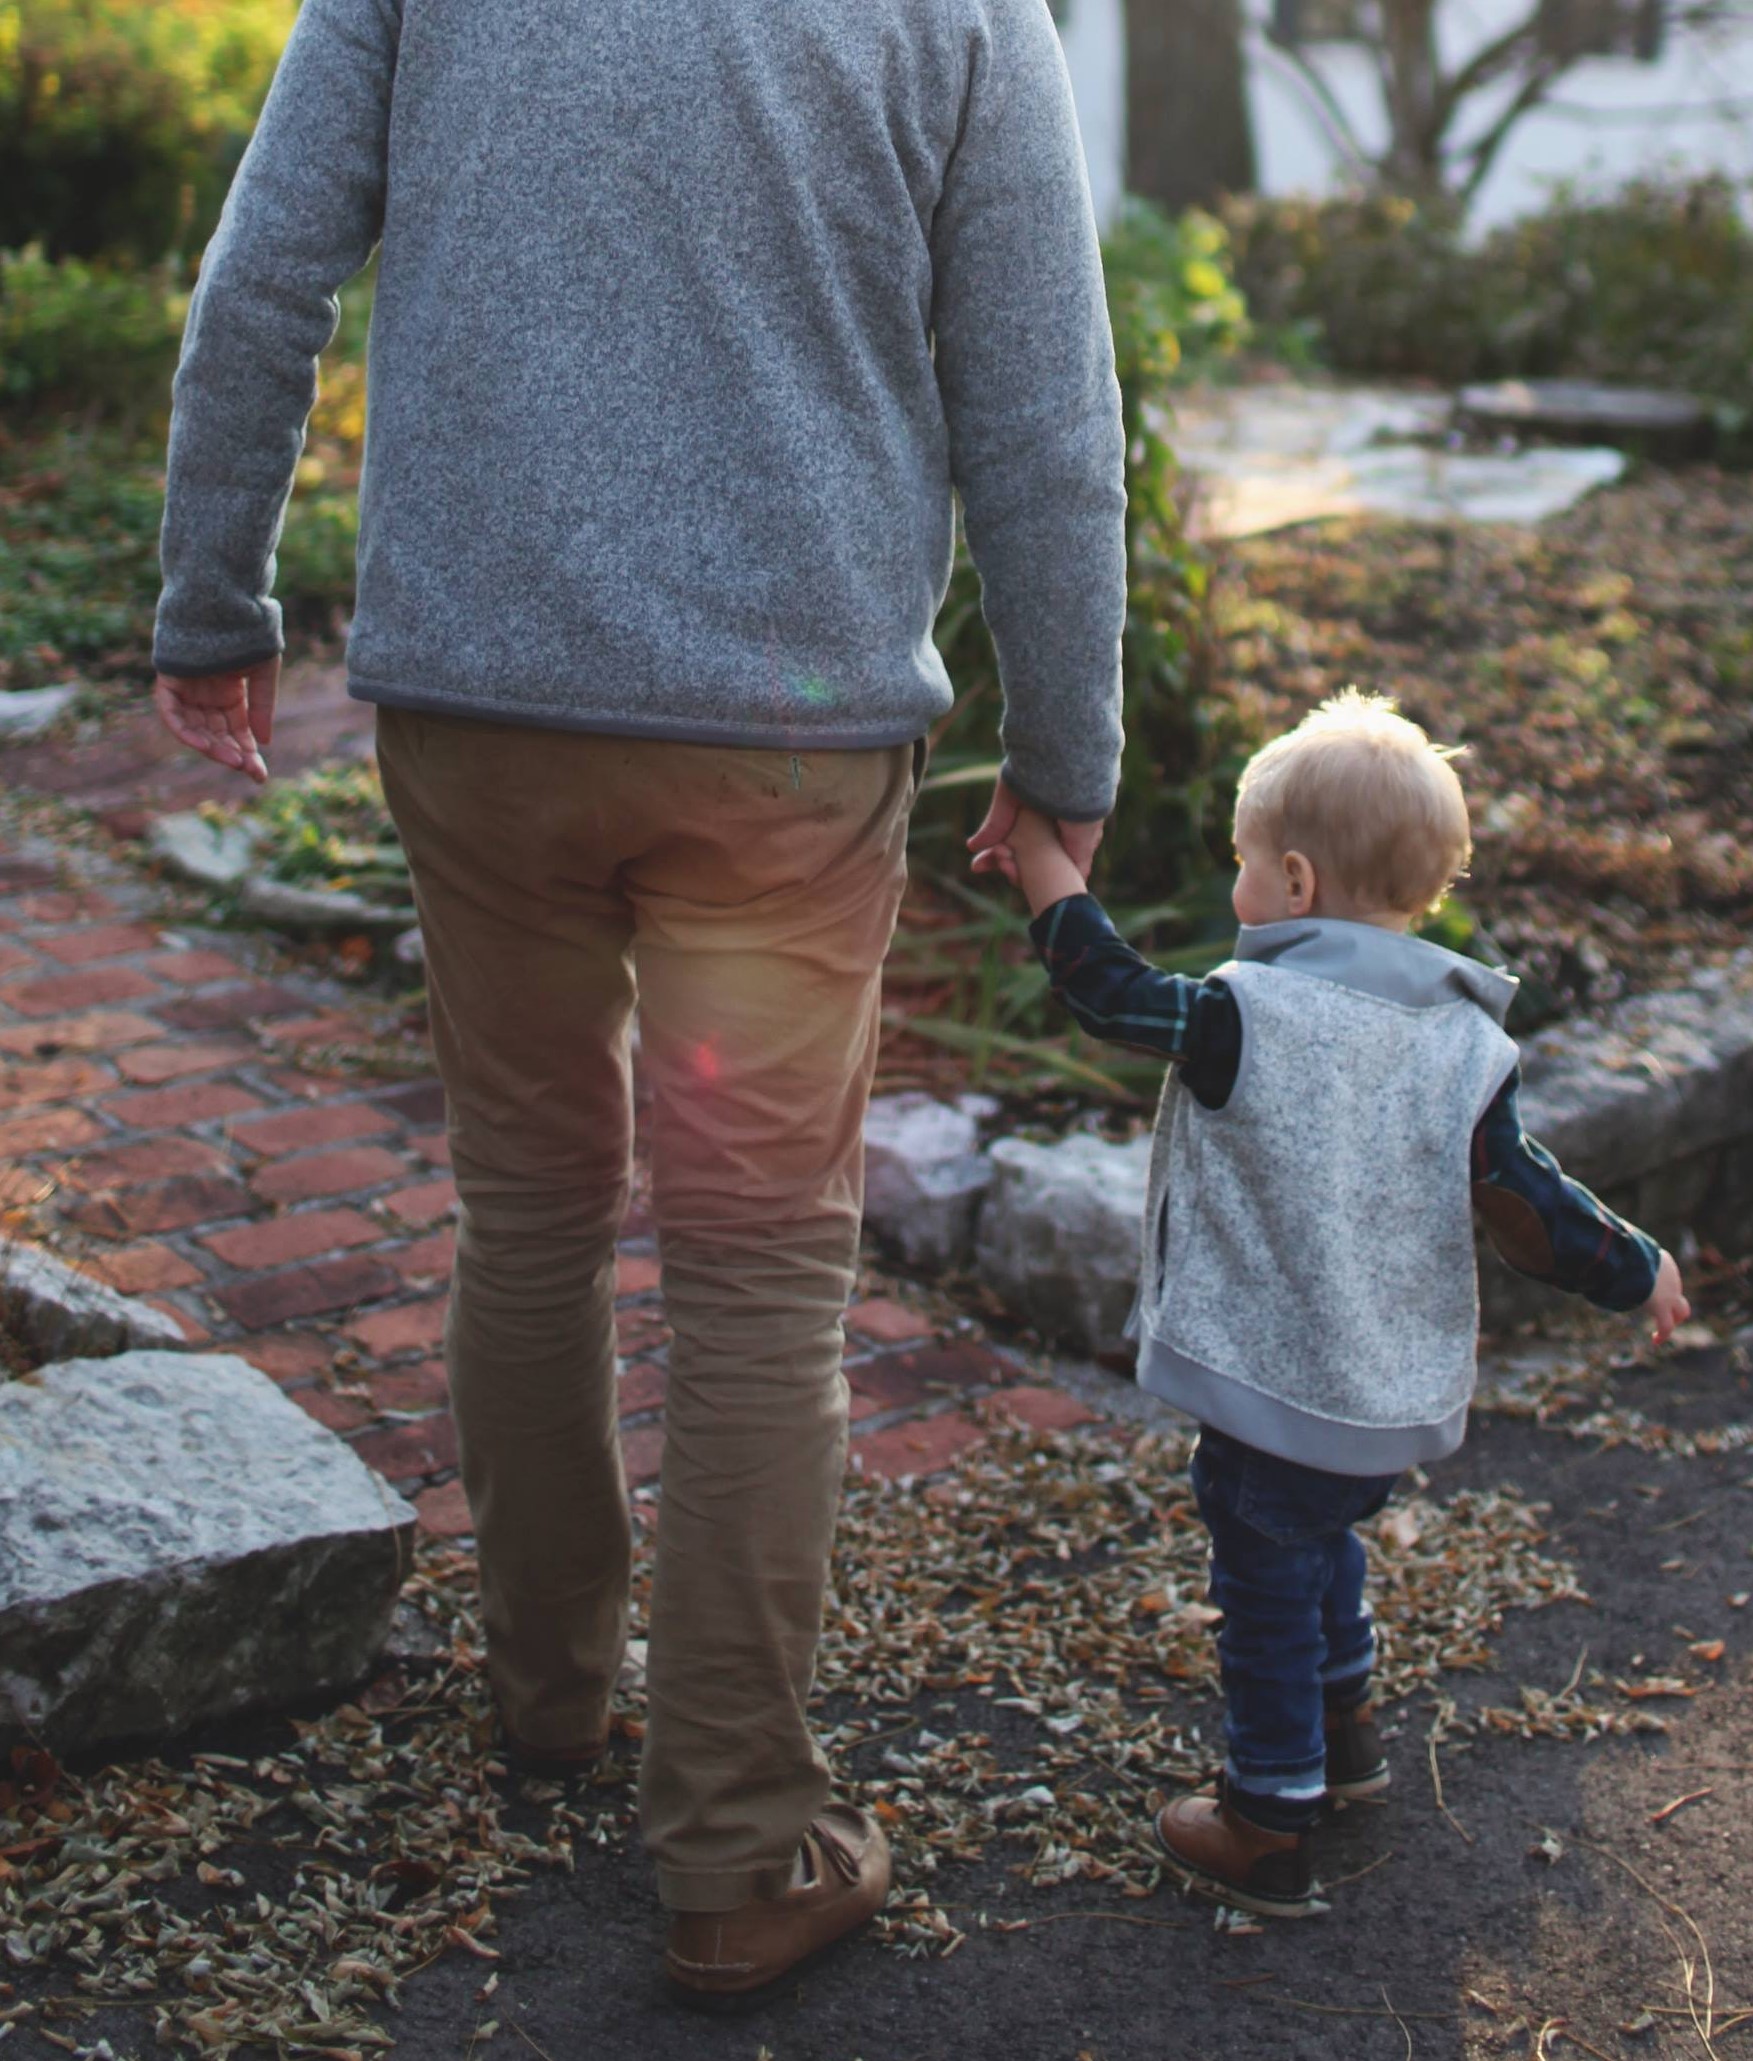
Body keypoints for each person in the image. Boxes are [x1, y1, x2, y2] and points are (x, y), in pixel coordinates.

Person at [149, 0, 1128, 2007]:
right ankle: (739, 1840)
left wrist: (213, 600)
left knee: (530, 1203)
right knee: (760, 1274)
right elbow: (1041, 403)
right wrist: (1070, 742)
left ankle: (546, 1692)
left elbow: (262, 275)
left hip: (479, 704)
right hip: (785, 738)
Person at [983, 689, 1689, 1918]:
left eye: (1245, 866)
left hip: (1272, 1377)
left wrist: (1043, 861)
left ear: (1294, 882)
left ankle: (1266, 1815)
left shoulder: (1247, 1015)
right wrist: (1637, 1264)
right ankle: (1347, 1731)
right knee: (1326, 1538)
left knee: (1263, 1573)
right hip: (1380, 1390)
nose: (1238, 887)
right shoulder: (1460, 1044)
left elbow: (1107, 988)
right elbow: (1527, 1201)